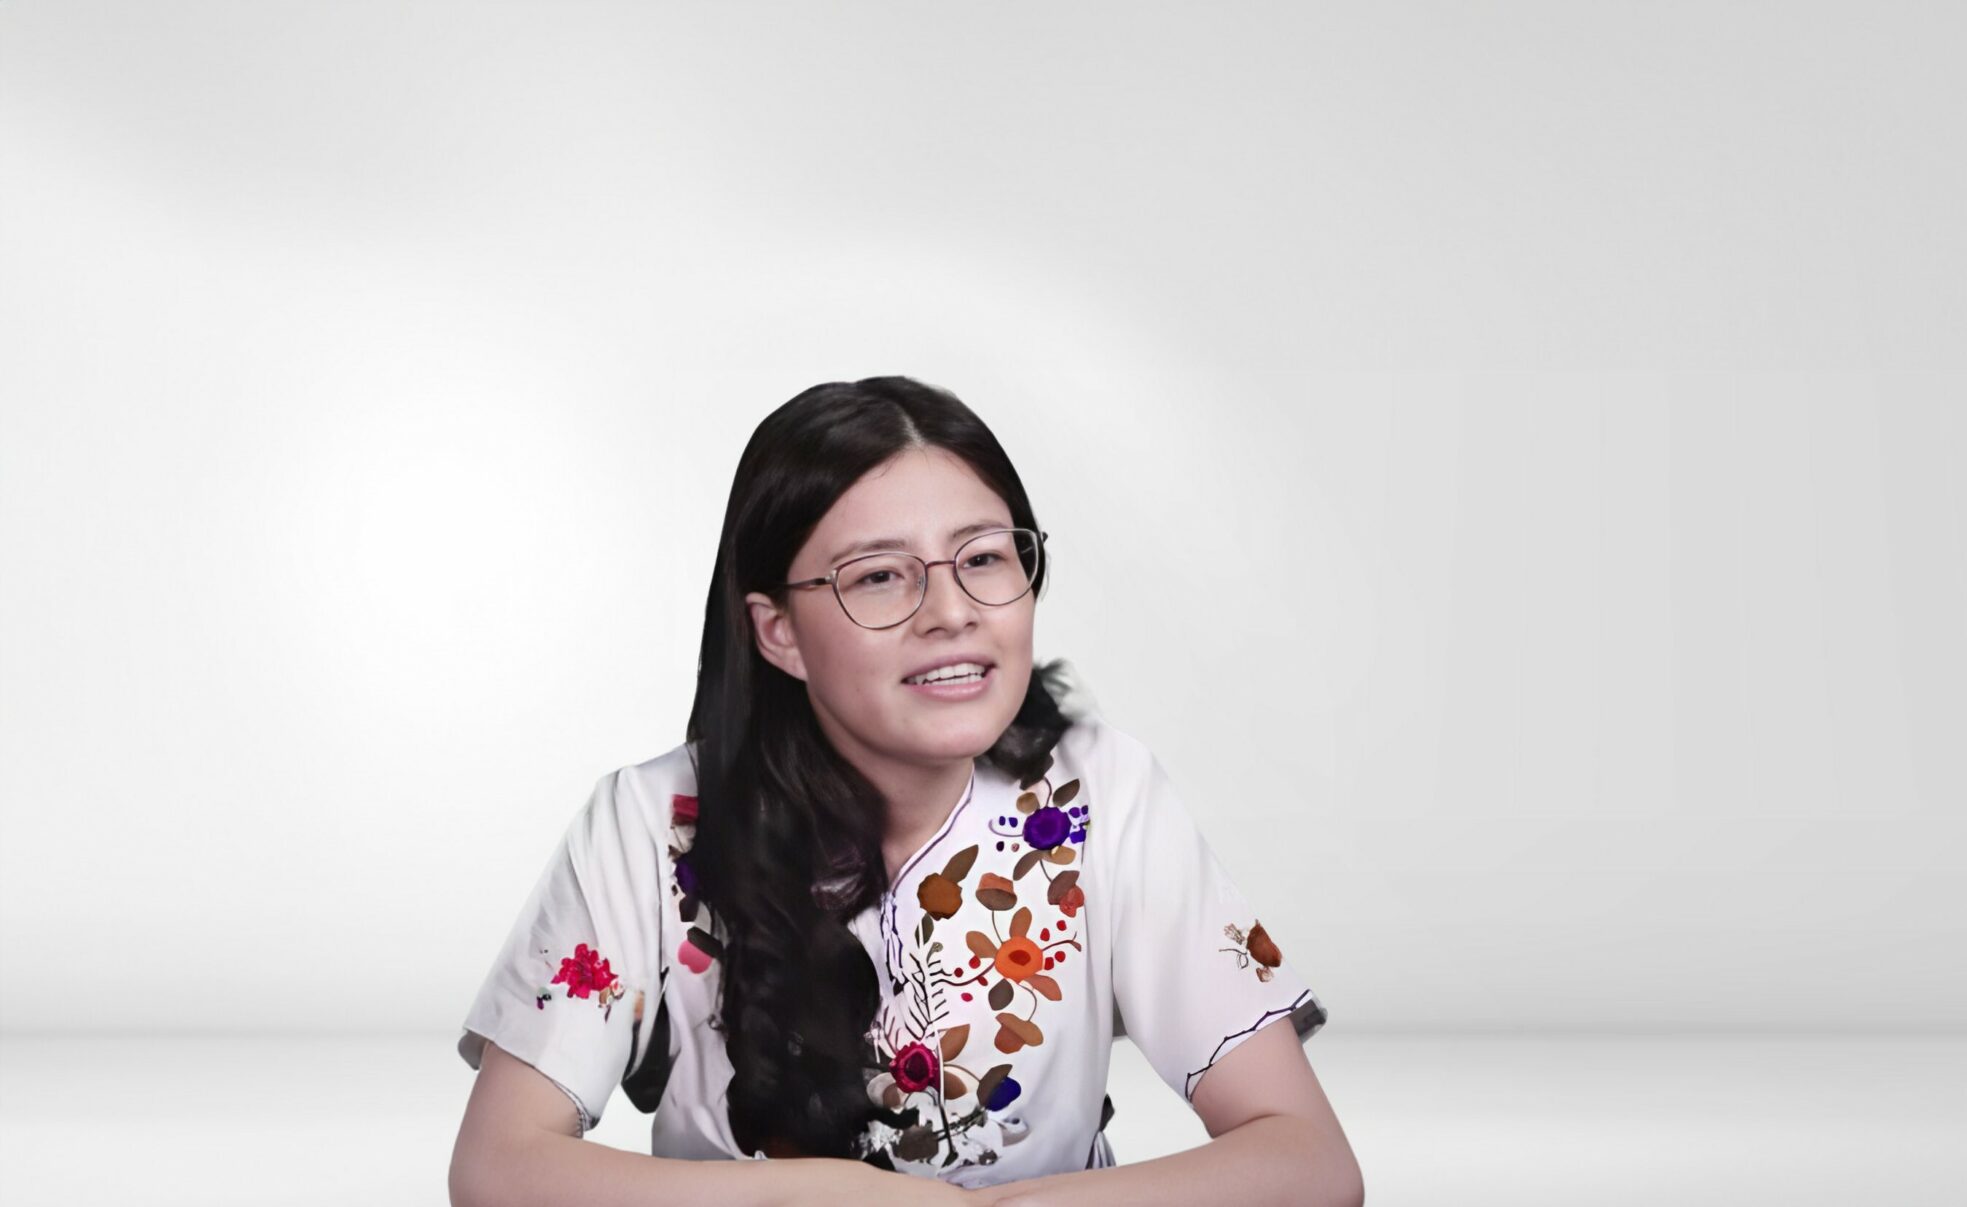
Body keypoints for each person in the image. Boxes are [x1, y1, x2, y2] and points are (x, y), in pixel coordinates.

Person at [449, 376, 1364, 1206]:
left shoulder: (1100, 794)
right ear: (779, 634)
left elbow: (1306, 1160)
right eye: (882, 576)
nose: (953, 611)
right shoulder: (651, 824)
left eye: (985, 558)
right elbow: (500, 1166)